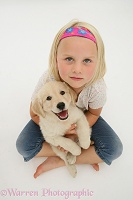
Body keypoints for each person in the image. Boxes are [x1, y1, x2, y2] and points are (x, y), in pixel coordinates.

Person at [16, 20, 123, 178]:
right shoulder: (49, 79)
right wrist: (61, 133)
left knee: (114, 149)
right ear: (56, 59)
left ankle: (61, 160)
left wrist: (76, 132)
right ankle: (73, 153)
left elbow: (93, 114)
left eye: (87, 60)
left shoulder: (97, 88)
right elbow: (34, 113)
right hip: (52, 119)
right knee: (24, 146)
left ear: (98, 62)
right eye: (69, 59)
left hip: (82, 116)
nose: (77, 70)